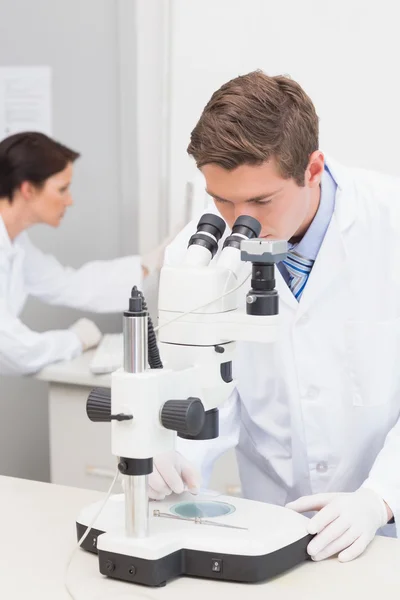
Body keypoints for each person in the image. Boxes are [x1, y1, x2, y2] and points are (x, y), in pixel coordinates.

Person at [148, 71, 400, 563]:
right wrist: (174, 452)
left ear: (312, 169)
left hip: (385, 527)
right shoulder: (195, 255)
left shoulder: (390, 224)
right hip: (272, 527)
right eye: (222, 200)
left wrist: (381, 497)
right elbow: (208, 392)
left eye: (261, 201)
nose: (242, 224)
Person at [0, 131, 165, 375]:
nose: (70, 201)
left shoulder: (16, 242)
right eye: (62, 189)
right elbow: (14, 349)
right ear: (28, 190)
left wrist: (148, 265)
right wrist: (76, 339)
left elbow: (65, 284)